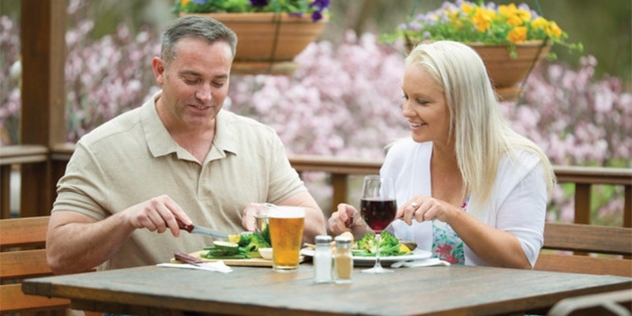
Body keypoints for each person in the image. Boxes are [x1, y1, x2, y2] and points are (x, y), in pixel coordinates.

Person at [46, 15, 327, 275]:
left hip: (245, 304)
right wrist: (126, 219)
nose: (205, 95)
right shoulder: (101, 148)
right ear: (160, 71)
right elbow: (59, 255)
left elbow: (316, 226)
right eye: (191, 80)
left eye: (218, 82)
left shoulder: (259, 140)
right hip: (146, 307)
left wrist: (276, 215)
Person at [328, 41, 555, 269]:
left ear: (462, 104)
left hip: (489, 301)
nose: (406, 111)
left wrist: (453, 215)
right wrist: (358, 229)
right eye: (405, 97)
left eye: (422, 101)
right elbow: (390, 244)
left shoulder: (520, 164)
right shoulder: (400, 157)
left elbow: (522, 260)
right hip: (410, 300)